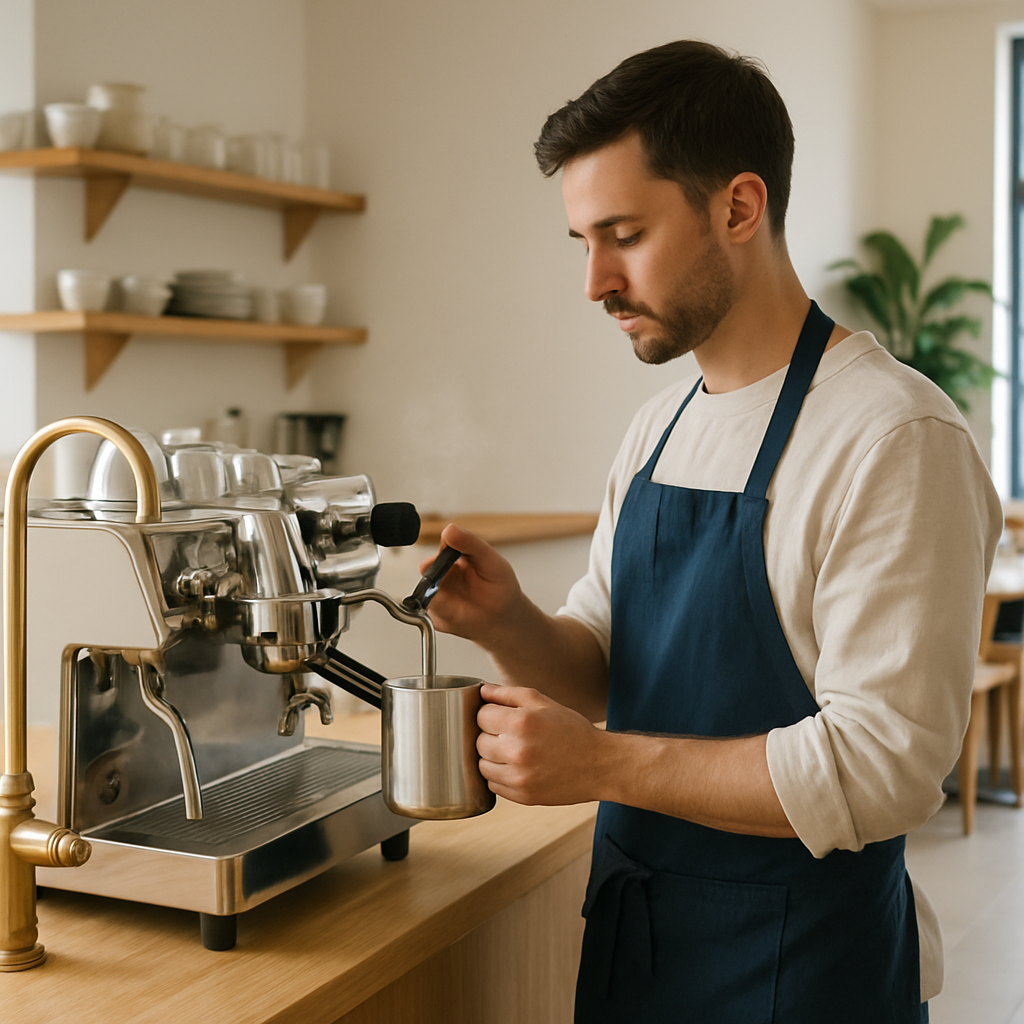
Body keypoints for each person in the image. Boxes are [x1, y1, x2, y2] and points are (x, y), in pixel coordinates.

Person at [424, 39, 1003, 1023]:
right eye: (582, 242)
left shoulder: (893, 436)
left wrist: (599, 764)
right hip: (639, 955)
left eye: (623, 234)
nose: (594, 281)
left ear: (738, 207)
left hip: (800, 975)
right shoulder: (661, 427)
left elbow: (886, 764)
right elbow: (603, 663)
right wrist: (507, 619)